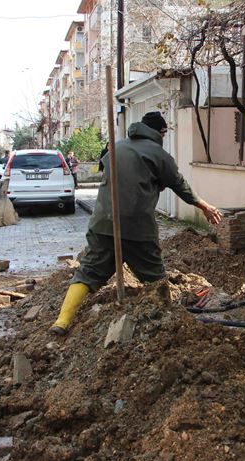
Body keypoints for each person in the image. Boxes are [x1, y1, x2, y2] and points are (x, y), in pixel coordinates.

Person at [49, 111, 222, 335]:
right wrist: (205, 207)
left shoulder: (116, 148)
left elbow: (113, 175)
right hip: (137, 227)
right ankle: (170, 326)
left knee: (88, 272)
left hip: (102, 223)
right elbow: (180, 185)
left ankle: (62, 322)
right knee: (154, 278)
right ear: (161, 132)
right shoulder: (158, 154)